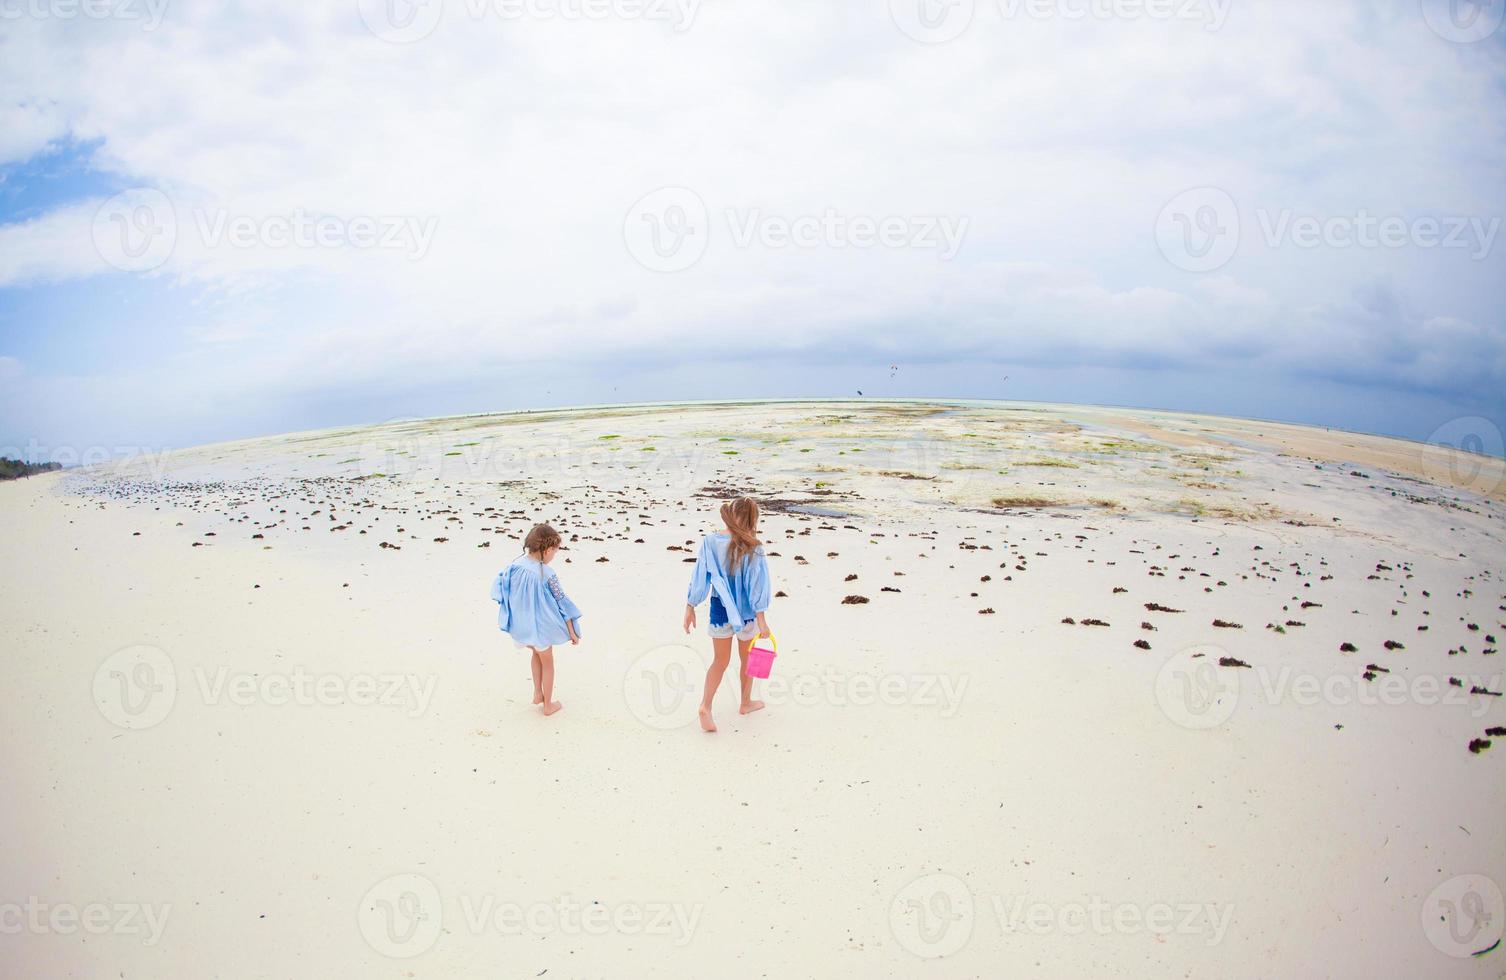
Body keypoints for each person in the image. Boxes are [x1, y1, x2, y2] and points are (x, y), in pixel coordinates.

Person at [683, 496, 772, 732]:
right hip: (746, 613)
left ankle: (705, 705)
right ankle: (745, 703)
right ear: (753, 519)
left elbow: (700, 577)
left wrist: (690, 606)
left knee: (720, 661)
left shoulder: (710, 542)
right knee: (748, 659)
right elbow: (757, 585)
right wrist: (762, 620)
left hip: (719, 609)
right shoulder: (754, 546)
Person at [491, 523, 581, 716]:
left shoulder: (515, 565)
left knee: (536, 655)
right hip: (540, 628)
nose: (553, 557)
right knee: (548, 662)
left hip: (523, 628)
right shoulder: (547, 574)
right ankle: (548, 705)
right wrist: (572, 631)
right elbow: (561, 603)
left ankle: (537, 693)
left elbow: (501, 584)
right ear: (548, 550)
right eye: (554, 553)